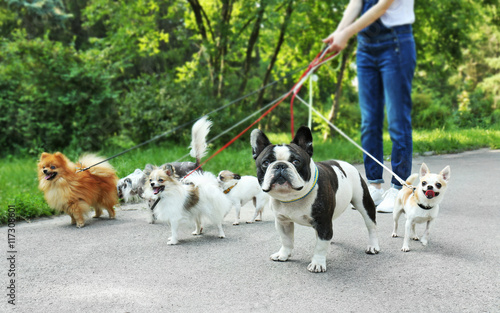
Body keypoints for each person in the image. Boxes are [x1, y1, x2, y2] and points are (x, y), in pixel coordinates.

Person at [322, 0, 416, 213]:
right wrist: (337, 33)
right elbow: (357, 2)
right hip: (365, 47)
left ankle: (399, 188)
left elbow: (382, 6)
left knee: (397, 121)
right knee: (369, 122)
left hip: (395, 44)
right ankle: (374, 185)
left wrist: (345, 34)